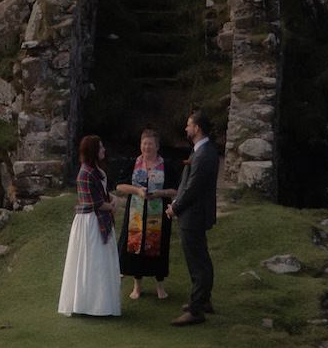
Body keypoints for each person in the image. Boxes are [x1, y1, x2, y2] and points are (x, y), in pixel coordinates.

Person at [57, 134, 123, 318]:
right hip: (90, 222)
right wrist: (111, 206)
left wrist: (112, 199)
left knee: (99, 262)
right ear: (94, 151)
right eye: (100, 147)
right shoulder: (85, 173)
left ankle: (99, 304)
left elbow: (101, 193)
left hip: (97, 219)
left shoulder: (94, 170)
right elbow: (95, 203)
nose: (103, 150)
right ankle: (89, 304)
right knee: (92, 261)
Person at [167, 110, 221, 327]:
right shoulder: (203, 151)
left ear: (197, 128)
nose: (186, 128)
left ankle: (196, 309)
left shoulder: (204, 154)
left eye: (189, 125)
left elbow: (193, 189)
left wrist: (175, 208)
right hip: (196, 214)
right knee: (201, 258)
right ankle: (203, 299)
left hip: (194, 215)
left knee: (197, 261)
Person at [113, 127, 172, 303]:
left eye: (150, 144)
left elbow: (175, 190)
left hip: (158, 212)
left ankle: (160, 285)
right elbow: (119, 186)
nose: (147, 147)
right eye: (144, 143)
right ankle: (137, 286)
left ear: (157, 146)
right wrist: (137, 190)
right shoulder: (134, 163)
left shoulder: (166, 166)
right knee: (135, 249)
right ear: (140, 145)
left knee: (157, 248)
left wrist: (159, 193)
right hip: (136, 212)